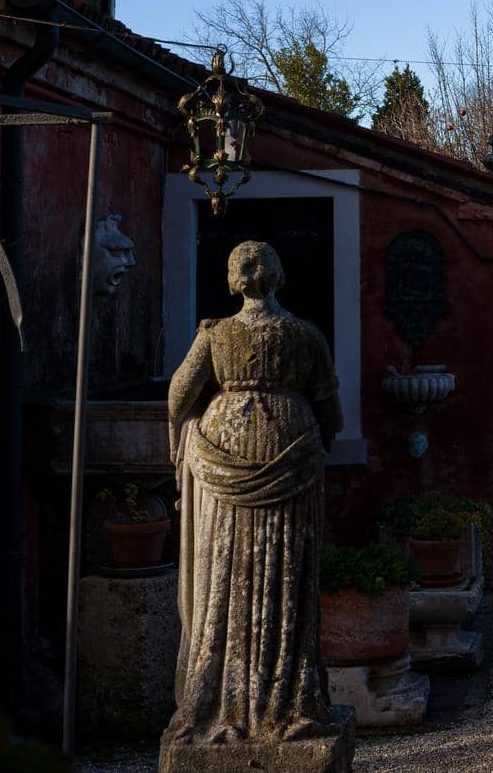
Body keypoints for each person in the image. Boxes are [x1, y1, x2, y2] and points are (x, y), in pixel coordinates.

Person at [162, 241, 343, 750]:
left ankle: (219, 700)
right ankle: (289, 702)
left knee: (225, 572)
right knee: (286, 575)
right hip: (292, 446)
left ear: (234, 280)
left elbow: (178, 397)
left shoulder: (214, 337)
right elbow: (332, 413)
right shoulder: (306, 336)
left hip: (222, 448)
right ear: (278, 276)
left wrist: (197, 424)